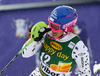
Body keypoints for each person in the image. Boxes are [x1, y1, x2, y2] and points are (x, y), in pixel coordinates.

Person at [22, 5, 91, 76]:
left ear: (67, 27)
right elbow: (25, 54)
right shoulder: (46, 32)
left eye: (55, 26)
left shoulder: (78, 46)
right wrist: (34, 40)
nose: (51, 29)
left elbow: (84, 72)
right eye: (50, 24)